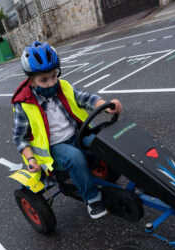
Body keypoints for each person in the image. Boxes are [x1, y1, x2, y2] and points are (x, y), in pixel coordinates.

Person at [11, 41, 122, 219]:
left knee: (104, 141)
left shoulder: (63, 86)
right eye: (44, 80)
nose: (51, 83)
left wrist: (106, 105)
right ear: (31, 81)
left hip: (76, 135)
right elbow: (19, 137)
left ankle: (135, 174)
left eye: (54, 76)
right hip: (53, 149)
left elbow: (85, 98)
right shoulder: (24, 104)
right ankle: (92, 199)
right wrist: (30, 159)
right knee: (75, 157)